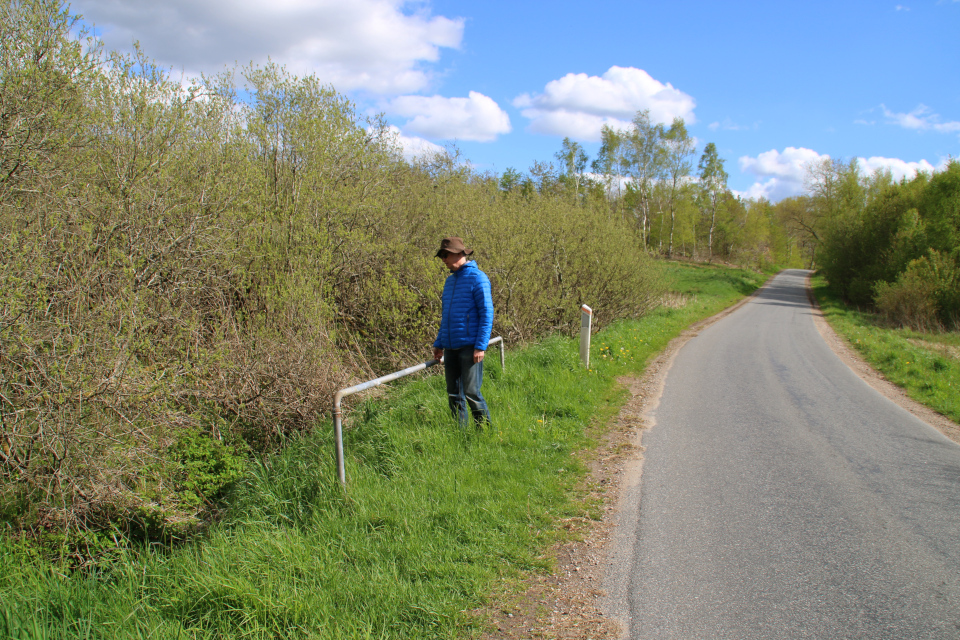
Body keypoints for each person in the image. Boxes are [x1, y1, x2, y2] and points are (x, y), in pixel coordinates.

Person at [432, 236, 494, 428]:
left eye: (446, 255)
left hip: (470, 347)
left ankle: (484, 431)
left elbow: (487, 313)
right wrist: (439, 343)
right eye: (441, 255)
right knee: (453, 393)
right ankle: (460, 433)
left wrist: (480, 346)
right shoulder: (449, 282)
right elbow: (447, 317)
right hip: (450, 347)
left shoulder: (478, 278)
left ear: (459, 253)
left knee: (471, 392)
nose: (443, 259)